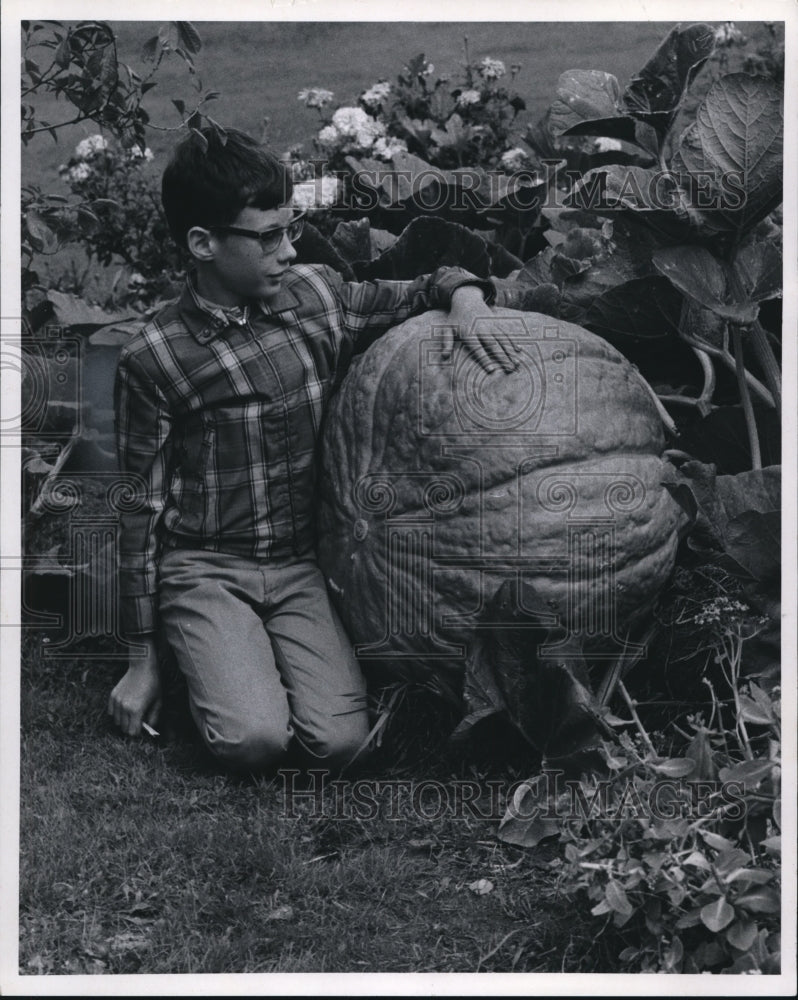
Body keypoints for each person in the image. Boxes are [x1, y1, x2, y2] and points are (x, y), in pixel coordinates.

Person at [108, 126, 516, 773]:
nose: (288, 248)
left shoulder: (317, 297)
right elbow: (137, 510)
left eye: (289, 228)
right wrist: (139, 661)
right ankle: (202, 652)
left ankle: (239, 661)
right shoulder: (156, 357)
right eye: (268, 236)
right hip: (206, 568)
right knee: (254, 740)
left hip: (301, 567)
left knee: (340, 744)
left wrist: (465, 296)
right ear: (203, 244)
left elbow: (421, 287)